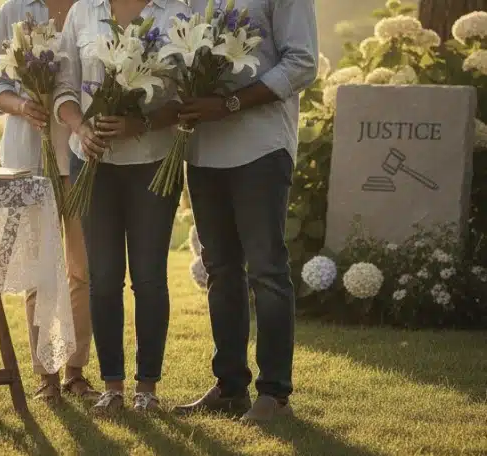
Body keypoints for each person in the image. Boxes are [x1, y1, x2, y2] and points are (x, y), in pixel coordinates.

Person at [172, 0, 318, 422]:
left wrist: (230, 103)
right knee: (220, 270)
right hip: (203, 150)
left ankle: (275, 395)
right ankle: (230, 386)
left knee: (267, 271)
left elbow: (303, 63)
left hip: (262, 145)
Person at [54, 0, 190, 412]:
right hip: (92, 161)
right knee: (103, 277)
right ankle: (112, 386)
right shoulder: (83, 11)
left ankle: (147, 388)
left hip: (153, 161)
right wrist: (81, 126)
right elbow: (64, 87)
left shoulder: (175, 12)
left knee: (149, 278)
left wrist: (139, 124)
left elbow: (187, 95)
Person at [0, 0, 100, 402]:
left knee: (81, 269)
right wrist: (21, 105)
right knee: (38, 272)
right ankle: (45, 374)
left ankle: (75, 370)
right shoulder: (13, 10)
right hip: (28, 160)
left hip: (80, 156)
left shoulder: (91, 8)